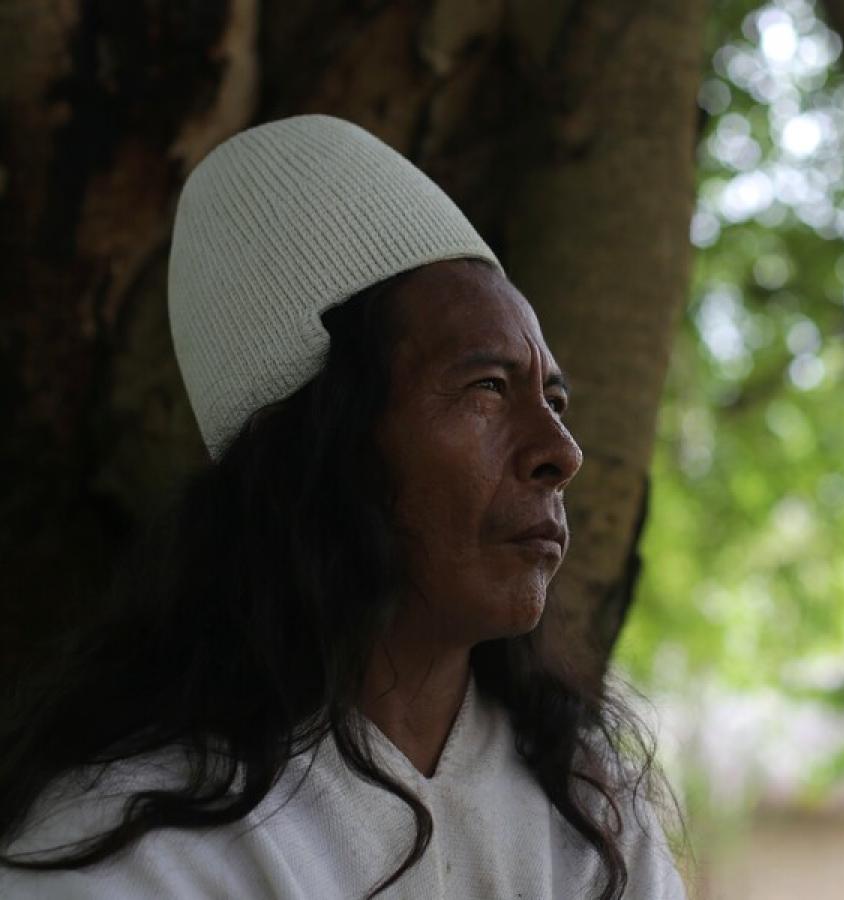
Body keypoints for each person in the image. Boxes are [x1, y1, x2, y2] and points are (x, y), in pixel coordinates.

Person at [0, 114, 687, 899]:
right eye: (488, 389)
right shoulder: (133, 855)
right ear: (318, 452)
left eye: (554, 399)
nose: (561, 454)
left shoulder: (591, 819)